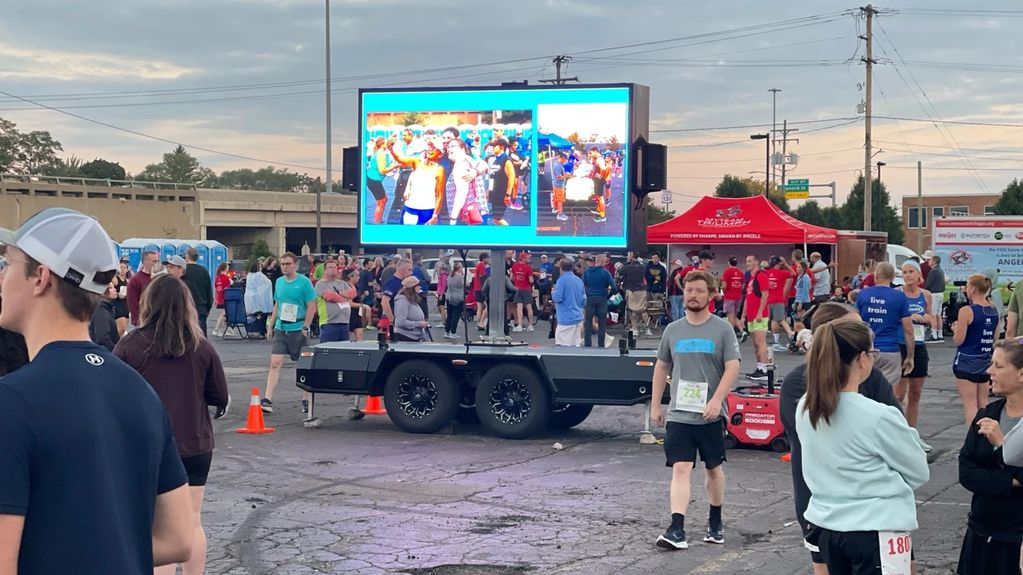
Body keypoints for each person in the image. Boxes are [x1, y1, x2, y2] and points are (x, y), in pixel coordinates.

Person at [0, 207, 194, 572]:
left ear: (41, 277)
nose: (2, 277)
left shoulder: (11, 402)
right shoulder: (141, 392)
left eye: (8, 264)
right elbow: (179, 538)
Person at [114, 274, 230, 575]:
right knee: (192, 520)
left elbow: (112, 395)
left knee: (158, 527)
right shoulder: (201, 347)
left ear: (148, 303)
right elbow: (219, 396)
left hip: (147, 447)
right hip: (195, 444)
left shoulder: (130, 346)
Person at [780, 302, 907, 575]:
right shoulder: (797, 385)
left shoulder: (872, 377)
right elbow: (830, 440)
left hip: (877, 514)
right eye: (855, 326)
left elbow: (901, 432)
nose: (863, 333)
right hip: (824, 510)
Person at [650, 271, 740, 550]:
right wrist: (656, 404)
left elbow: (733, 366)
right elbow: (662, 366)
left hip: (710, 415)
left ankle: (715, 521)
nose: (693, 295)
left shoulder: (722, 329)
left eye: (700, 291)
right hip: (679, 414)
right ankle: (676, 529)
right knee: (681, 467)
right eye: (689, 290)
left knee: (713, 469)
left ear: (711, 295)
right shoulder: (672, 330)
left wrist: (717, 400)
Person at [956, 338, 1023, 574]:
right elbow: (966, 471)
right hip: (980, 530)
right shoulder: (988, 414)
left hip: (1016, 539)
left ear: (1021, 374)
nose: (989, 371)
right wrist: (1010, 482)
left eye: (998, 365)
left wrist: (1003, 444)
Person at [262, 252, 317, 415]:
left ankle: (306, 399)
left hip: (298, 328)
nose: (285, 267)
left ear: (295, 265)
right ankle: (268, 399)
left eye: (288, 264)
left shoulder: (304, 282)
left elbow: (311, 306)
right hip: (281, 327)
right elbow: (277, 305)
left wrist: (306, 326)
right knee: (275, 363)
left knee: (304, 365)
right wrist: (270, 325)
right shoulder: (279, 282)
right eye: (283, 264)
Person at [856, 262, 915, 387]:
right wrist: (910, 356)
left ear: (876, 276)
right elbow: (908, 330)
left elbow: (855, 322)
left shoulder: (863, 294)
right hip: (890, 350)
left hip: (866, 349)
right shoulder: (899, 297)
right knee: (887, 392)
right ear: (893, 277)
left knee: (863, 390)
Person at [953, 274, 1000, 426]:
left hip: (967, 361)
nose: (966, 289)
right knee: (983, 403)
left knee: (970, 404)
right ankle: (986, 436)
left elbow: (959, 340)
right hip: (985, 360)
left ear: (973, 289)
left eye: (967, 286)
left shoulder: (967, 311)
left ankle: (972, 438)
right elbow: (995, 338)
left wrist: (955, 329)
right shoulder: (994, 310)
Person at [896, 260, 933, 442]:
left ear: (919, 274)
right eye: (904, 272)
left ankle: (912, 434)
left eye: (911, 271)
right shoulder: (898, 293)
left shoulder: (925, 295)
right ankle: (897, 432)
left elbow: (932, 318)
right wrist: (909, 317)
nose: (908, 275)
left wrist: (926, 318)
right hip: (901, 345)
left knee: (915, 393)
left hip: (919, 344)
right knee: (899, 394)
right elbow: (893, 317)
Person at [447, 139, 487, 225]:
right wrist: (476, 171)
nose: (449, 149)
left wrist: (453, 218)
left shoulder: (460, 163)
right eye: (448, 147)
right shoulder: (469, 160)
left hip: (464, 213)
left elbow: (462, 193)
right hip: (477, 209)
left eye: (452, 146)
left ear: (462, 149)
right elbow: (484, 164)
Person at [315, 260, 356, 344]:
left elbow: (353, 294)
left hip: (344, 322)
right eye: (330, 267)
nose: (333, 269)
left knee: (343, 348)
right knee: (328, 349)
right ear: (325, 270)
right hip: (329, 323)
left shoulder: (342, 283)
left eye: (335, 267)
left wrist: (339, 293)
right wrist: (345, 297)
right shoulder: (320, 284)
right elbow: (331, 297)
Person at [745, 257, 772, 382]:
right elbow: (748, 298)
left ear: (756, 262)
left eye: (750, 261)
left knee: (761, 342)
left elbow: (765, 295)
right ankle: (760, 368)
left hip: (759, 315)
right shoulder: (751, 278)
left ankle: (765, 370)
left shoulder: (761, 275)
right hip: (751, 315)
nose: (748, 263)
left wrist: (760, 312)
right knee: (755, 344)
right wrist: (743, 316)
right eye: (747, 261)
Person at [583, 254, 616, 348]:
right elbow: (614, 287)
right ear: (602, 262)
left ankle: (587, 344)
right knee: (602, 323)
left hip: (590, 298)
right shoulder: (606, 273)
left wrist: (587, 293)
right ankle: (601, 344)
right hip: (602, 298)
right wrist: (607, 295)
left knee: (588, 323)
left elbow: (582, 284)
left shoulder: (587, 272)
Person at [552, 258, 586, 347]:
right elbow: (584, 301)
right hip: (578, 317)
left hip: (566, 319)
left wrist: (553, 292)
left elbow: (557, 298)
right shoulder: (579, 280)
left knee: (562, 347)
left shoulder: (561, 281)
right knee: (575, 346)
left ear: (561, 268)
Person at [366, 136, 399, 223]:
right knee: (381, 202)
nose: (388, 144)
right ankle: (377, 221)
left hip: (373, 179)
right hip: (374, 180)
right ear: (382, 144)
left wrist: (391, 166)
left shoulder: (378, 152)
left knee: (384, 199)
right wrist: (394, 166)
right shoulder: (380, 154)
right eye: (386, 143)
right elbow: (382, 170)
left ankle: (379, 220)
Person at [182, 248, 214, 338]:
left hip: (185, 306)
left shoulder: (183, 270)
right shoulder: (203, 270)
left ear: (187, 256)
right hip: (201, 307)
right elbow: (209, 291)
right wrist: (208, 308)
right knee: (201, 336)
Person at [486, 138, 517, 226]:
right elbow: (492, 178)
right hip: (494, 194)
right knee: (496, 219)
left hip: (501, 195)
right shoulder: (496, 160)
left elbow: (512, 177)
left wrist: (508, 194)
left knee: (498, 219)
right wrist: (489, 191)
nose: (492, 149)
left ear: (501, 147)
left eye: (494, 147)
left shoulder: (506, 160)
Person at [766, 256, 795, 352]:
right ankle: (776, 342)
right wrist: (785, 264)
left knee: (770, 320)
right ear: (778, 264)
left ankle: (770, 342)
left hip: (767, 299)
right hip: (778, 300)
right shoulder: (782, 273)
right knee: (776, 320)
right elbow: (793, 274)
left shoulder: (766, 273)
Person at [619, 253, 649, 337]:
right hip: (642, 290)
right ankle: (647, 328)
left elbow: (621, 271)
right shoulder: (643, 267)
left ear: (632, 257)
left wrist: (628, 262)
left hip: (631, 290)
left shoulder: (628, 267)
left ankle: (635, 328)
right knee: (643, 310)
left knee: (632, 309)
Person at [127, 249, 159, 327]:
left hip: (157, 321)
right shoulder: (135, 280)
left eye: (158, 261)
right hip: (142, 322)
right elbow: (132, 302)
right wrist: (139, 320)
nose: (157, 263)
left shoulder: (159, 278)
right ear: (145, 262)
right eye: (154, 261)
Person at [244, 260, 274, 338]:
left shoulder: (249, 275)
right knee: (263, 315)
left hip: (249, 299)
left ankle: (251, 331)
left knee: (252, 315)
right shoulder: (259, 275)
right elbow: (268, 283)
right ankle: (262, 331)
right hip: (260, 299)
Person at [394, 276, 429, 342]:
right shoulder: (402, 301)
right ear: (412, 288)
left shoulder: (411, 300)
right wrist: (418, 324)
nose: (420, 287)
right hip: (404, 337)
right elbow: (401, 322)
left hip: (414, 337)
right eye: (418, 285)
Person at [89, 281, 119, 351]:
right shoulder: (101, 310)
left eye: (114, 287)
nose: (115, 290)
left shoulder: (107, 308)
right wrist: (116, 351)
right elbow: (102, 338)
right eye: (110, 288)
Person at [721, 256, 746, 341]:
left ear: (729, 262)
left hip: (729, 297)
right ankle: (743, 331)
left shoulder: (727, 271)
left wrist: (724, 292)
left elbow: (724, 286)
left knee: (730, 317)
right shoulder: (740, 272)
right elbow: (743, 286)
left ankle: (731, 337)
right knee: (734, 317)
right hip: (738, 297)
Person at [923, 254, 947, 341]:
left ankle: (934, 335)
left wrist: (924, 290)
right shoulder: (941, 270)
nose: (928, 261)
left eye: (930, 260)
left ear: (934, 261)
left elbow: (928, 284)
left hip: (934, 294)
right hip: (940, 294)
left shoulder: (933, 271)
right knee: (938, 315)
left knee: (933, 315)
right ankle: (940, 334)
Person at [511, 252, 535, 332]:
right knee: (529, 307)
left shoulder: (514, 266)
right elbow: (531, 280)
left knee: (519, 307)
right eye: (527, 258)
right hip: (526, 289)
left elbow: (511, 278)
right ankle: (530, 325)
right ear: (523, 258)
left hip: (517, 289)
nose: (529, 259)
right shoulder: (528, 268)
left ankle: (520, 325)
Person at [443, 261, 466, 339]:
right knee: (455, 316)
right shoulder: (459, 277)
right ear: (459, 268)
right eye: (461, 267)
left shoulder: (450, 276)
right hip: (458, 298)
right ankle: (453, 332)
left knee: (449, 315)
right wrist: (463, 275)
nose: (462, 268)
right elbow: (466, 284)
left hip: (449, 297)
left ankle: (447, 331)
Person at [111, 262, 131, 338]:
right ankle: (114, 342)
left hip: (125, 305)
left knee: (123, 330)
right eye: (121, 267)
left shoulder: (128, 281)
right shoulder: (115, 279)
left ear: (127, 270)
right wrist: (117, 294)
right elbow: (108, 289)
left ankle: (118, 342)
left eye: (124, 267)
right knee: (120, 329)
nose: (122, 269)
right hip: (117, 305)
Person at [212, 262, 231, 337]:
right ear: (225, 268)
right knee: (224, 313)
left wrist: (215, 298)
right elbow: (228, 289)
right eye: (227, 267)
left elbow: (216, 289)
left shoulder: (217, 278)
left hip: (220, 297)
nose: (228, 268)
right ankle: (216, 329)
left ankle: (229, 329)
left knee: (226, 314)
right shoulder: (226, 278)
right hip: (225, 298)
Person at [473, 253, 490, 331]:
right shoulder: (481, 265)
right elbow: (483, 277)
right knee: (488, 305)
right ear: (483, 258)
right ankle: (482, 321)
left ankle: (479, 322)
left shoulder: (478, 265)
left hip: (476, 288)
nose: (488, 259)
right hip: (481, 289)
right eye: (487, 258)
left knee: (480, 306)